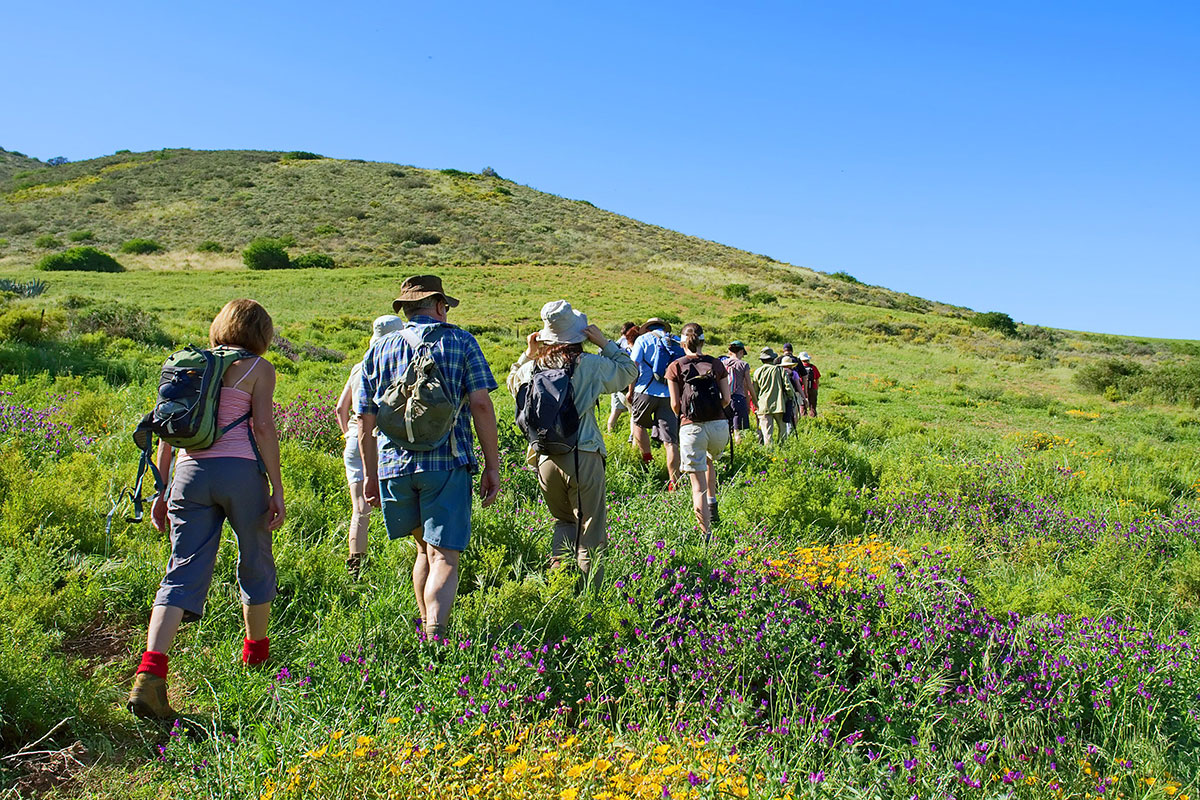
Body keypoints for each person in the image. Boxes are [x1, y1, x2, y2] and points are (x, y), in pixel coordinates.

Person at [128, 299, 285, 720]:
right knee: (255, 559)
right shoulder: (259, 369)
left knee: (182, 568)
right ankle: (256, 657)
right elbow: (263, 427)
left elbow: (167, 428)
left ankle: (150, 672)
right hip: (240, 474)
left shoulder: (190, 366)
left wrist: (162, 488)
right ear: (262, 334)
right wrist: (277, 488)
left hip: (189, 473)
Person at [356, 275, 501, 641]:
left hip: (394, 465)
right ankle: (437, 637)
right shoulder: (461, 342)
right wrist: (492, 465)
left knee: (422, 549)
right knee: (445, 557)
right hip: (447, 463)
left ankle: (426, 629)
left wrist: (370, 476)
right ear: (439, 306)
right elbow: (481, 405)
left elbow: (365, 418)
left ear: (406, 309)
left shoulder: (380, 348)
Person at [508, 301, 637, 585]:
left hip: (543, 457)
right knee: (590, 529)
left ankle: (559, 584)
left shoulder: (531, 369)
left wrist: (527, 355)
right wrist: (605, 343)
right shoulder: (590, 365)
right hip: (583, 454)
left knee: (563, 523)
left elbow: (511, 382)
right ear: (577, 335)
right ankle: (591, 594)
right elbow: (629, 372)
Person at [335, 314, 405, 578]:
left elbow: (341, 408)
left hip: (355, 438)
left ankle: (356, 568)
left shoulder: (360, 365)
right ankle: (413, 560)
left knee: (360, 509)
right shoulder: (397, 365)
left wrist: (349, 435)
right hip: (387, 441)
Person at [665, 323, 731, 538]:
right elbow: (727, 399)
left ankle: (706, 534)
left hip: (691, 427)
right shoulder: (716, 364)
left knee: (697, 486)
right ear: (703, 341)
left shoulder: (675, 366)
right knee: (710, 461)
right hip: (719, 426)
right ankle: (713, 504)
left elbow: (675, 405)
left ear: (682, 342)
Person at [629, 318, 683, 489]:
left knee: (638, 424)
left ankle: (647, 460)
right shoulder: (675, 341)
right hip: (670, 394)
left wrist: (630, 391)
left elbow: (633, 366)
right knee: (671, 441)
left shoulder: (642, 339)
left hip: (644, 390)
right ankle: (674, 482)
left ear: (647, 328)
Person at [751, 346, 795, 448]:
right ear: (773, 359)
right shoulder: (780, 370)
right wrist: (791, 397)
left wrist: (756, 404)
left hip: (763, 406)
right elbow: (788, 387)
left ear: (762, 360)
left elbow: (755, 391)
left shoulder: (757, 372)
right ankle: (782, 449)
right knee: (782, 429)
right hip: (779, 404)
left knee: (767, 433)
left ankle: (769, 452)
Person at [605, 322, 639, 435]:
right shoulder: (633, 344)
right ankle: (632, 439)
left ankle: (610, 434)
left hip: (617, 383)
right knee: (633, 414)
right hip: (629, 384)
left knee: (615, 411)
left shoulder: (616, 344)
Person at [721, 341, 754, 443]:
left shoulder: (722, 363)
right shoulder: (743, 365)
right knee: (738, 431)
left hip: (724, 398)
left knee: (726, 428)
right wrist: (755, 401)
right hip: (738, 398)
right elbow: (748, 384)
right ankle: (739, 449)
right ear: (740, 351)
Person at [778, 354, 808, 436]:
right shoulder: (793, 373)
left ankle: (782, 434)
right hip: (791, 396)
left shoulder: (778, 372)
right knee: (793, 414)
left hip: (780, 397)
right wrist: (804, 397)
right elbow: (798, 386)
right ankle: (790, 432)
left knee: (782, 416)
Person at [798, 352, 821, 416]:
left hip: (802, 389)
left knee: (802, 406)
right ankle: (813, 419)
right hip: (812, 388)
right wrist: (816, 389)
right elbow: (817, 379)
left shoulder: (799, 368)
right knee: (812, 406)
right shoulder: (813, 367)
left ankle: (804, 420)